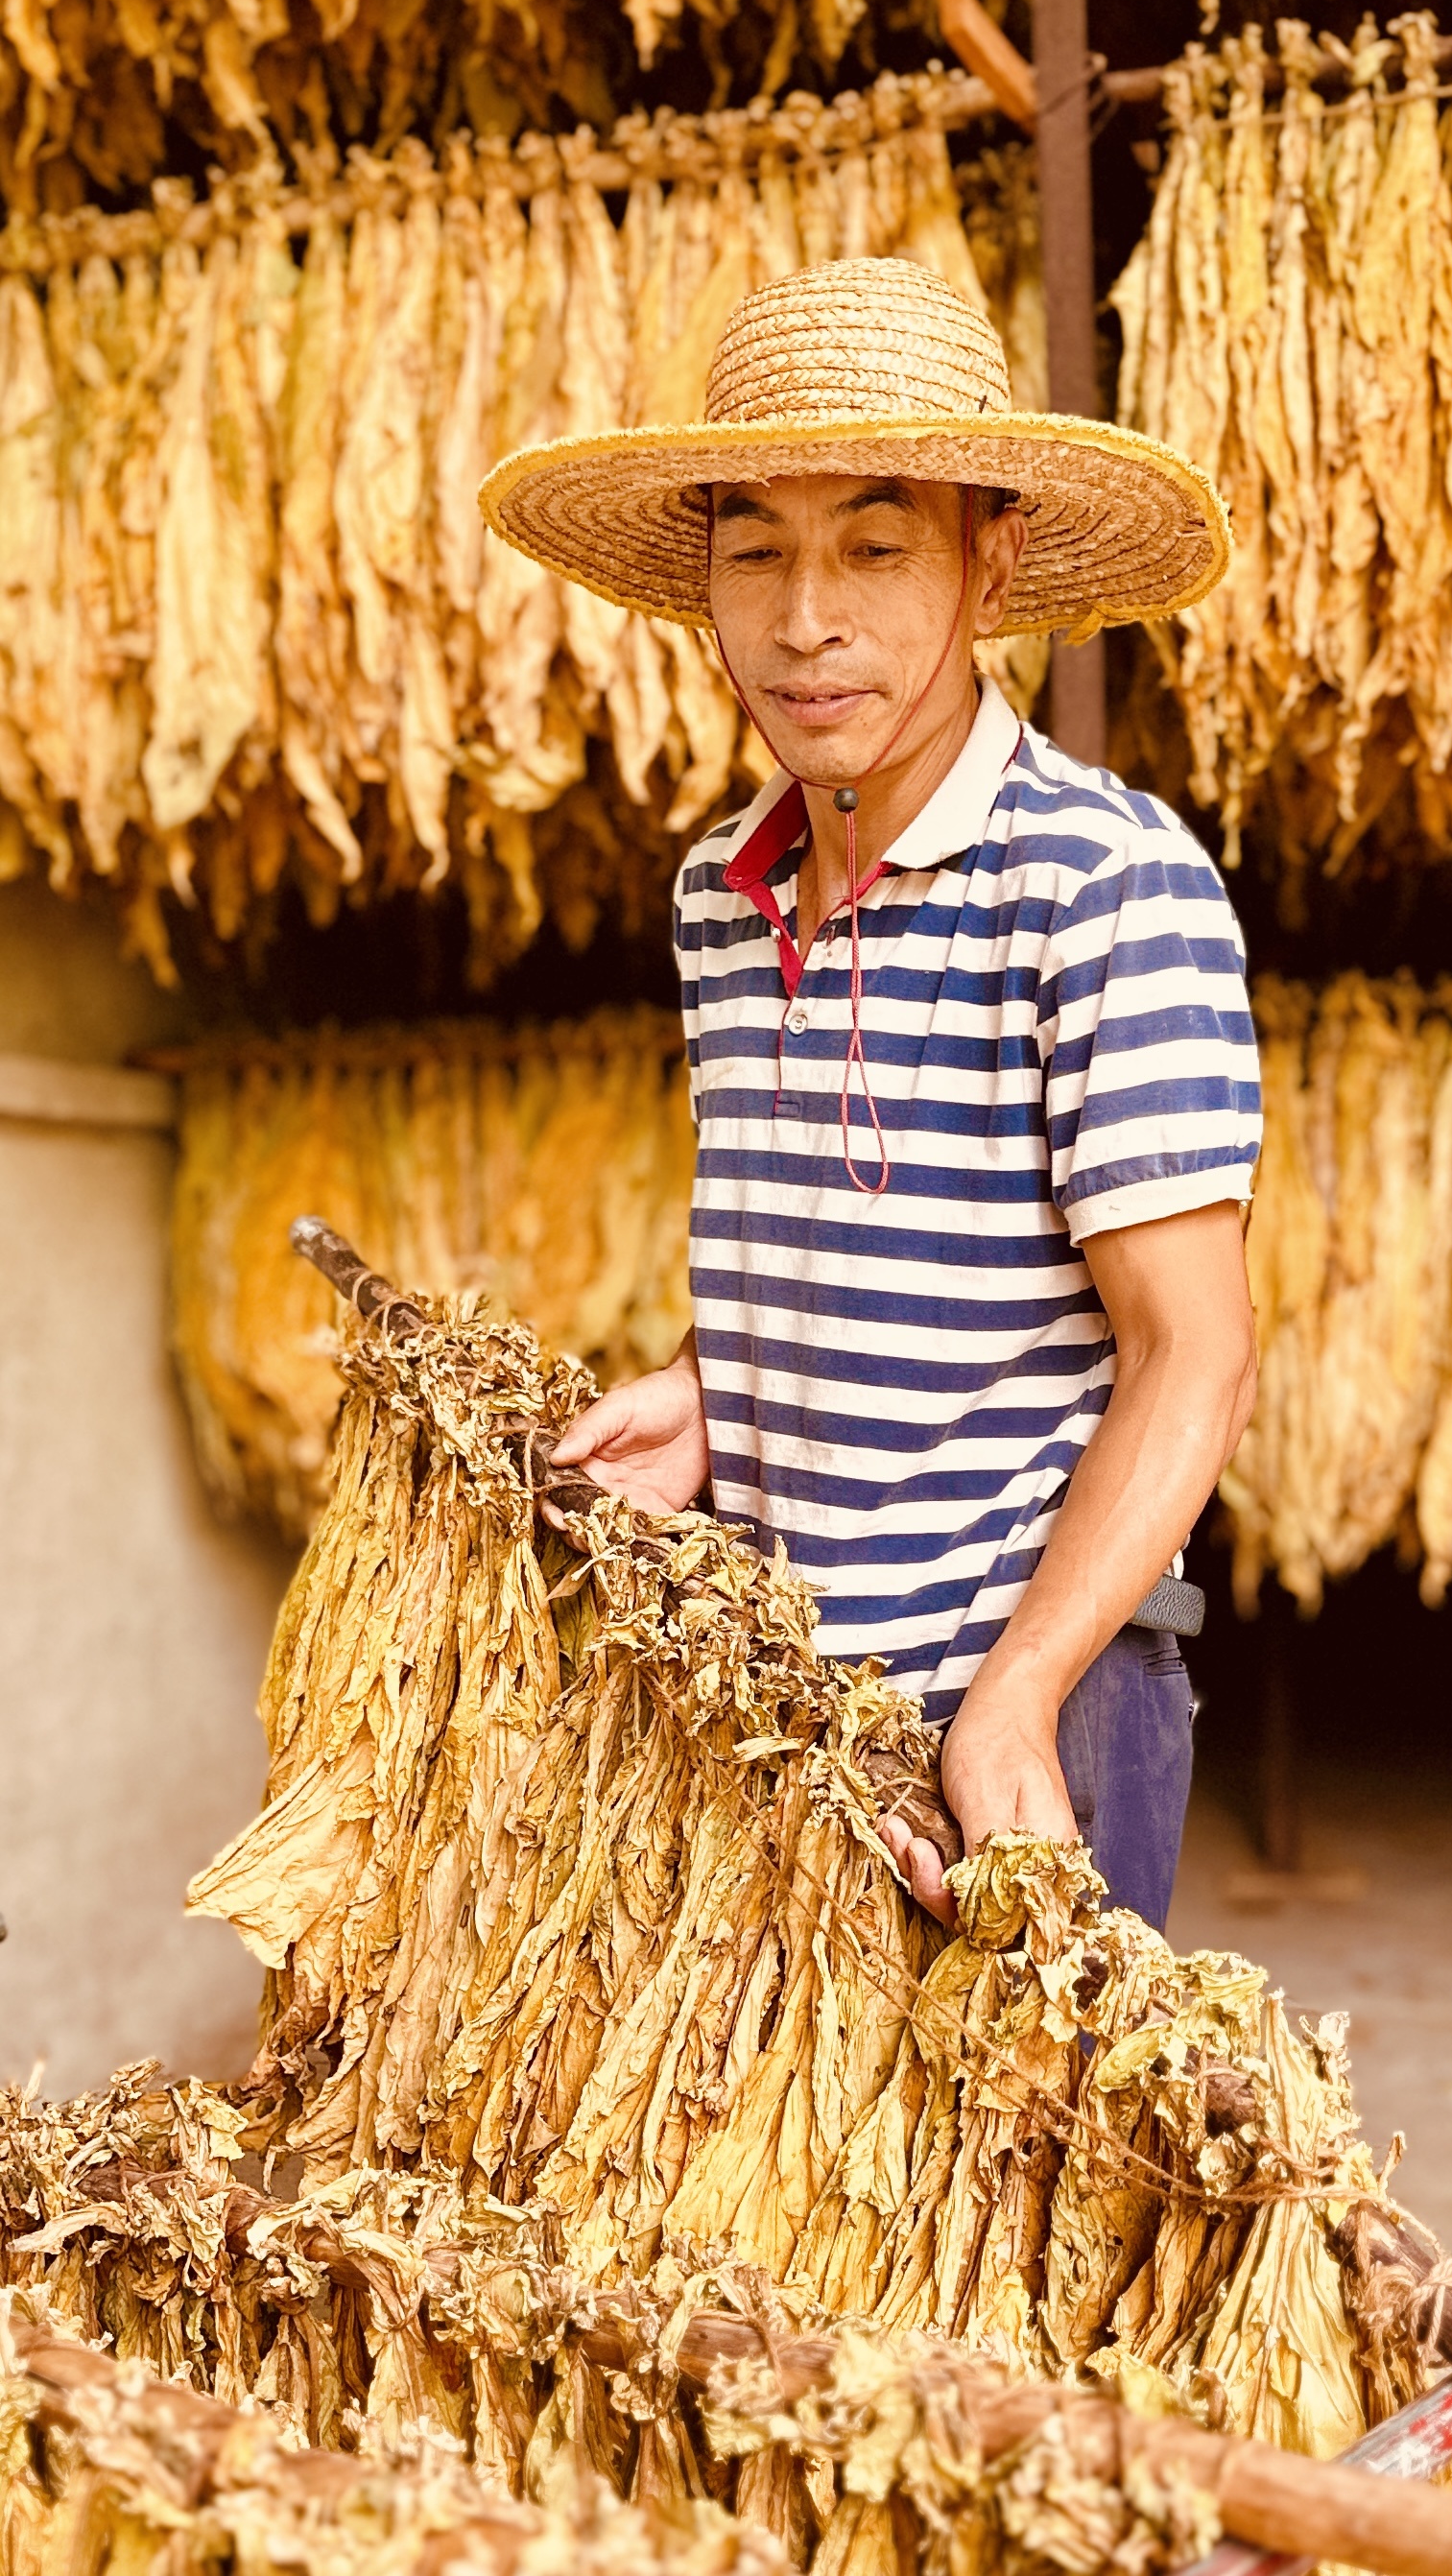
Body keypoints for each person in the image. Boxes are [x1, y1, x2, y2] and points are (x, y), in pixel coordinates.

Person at [480, 254, 1259, 1930]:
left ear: (995, 556)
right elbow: (842, 1240)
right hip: (779, 1701)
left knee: (1028, 2185)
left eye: (876, 546)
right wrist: (713, 1393)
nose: (806, 618)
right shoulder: (716, 890)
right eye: (754, 547)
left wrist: (1011, 1709)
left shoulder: (1104, 883)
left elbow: (1195, 1348)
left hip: (1034, 1694)